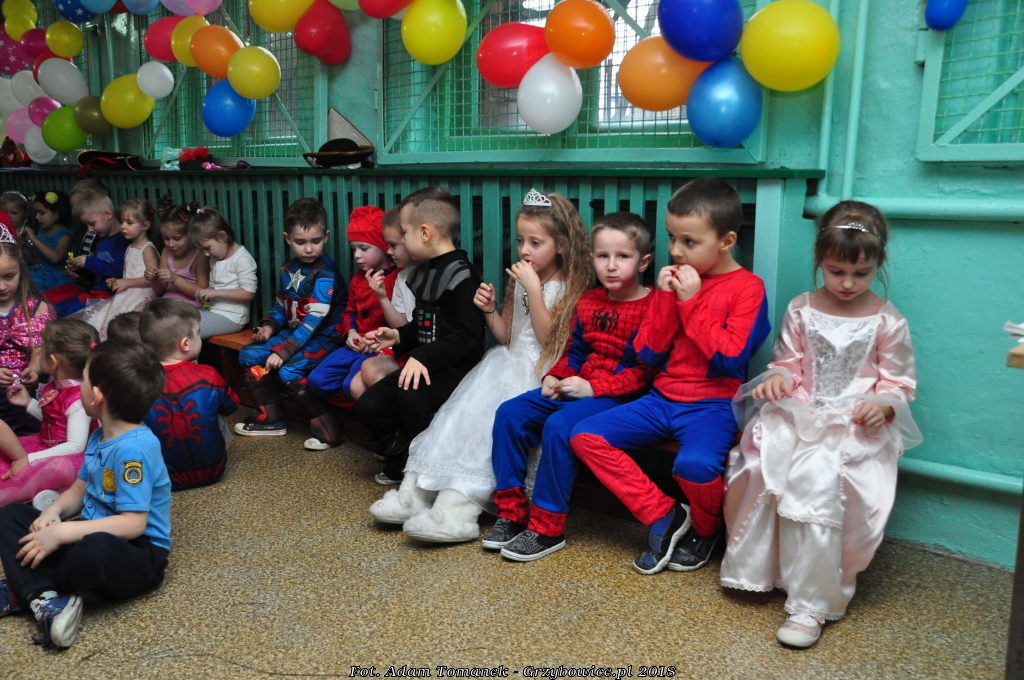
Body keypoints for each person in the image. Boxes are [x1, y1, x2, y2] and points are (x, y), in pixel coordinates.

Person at [720, 200, 921, 648]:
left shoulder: (887, 320)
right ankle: (763, 568)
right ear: (820, 261)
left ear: (878, 265)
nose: (847, 283)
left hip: (852, 421)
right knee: (763, 451)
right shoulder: (801, 308)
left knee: (820, 474)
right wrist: (778, 378)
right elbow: (788, 362)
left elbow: (899, 383)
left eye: (861, 274)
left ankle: (811, 602)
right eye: (836, 271)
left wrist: (884, 405)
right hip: (802, 409)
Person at [571, 178, 771, 574]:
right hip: (660, 400)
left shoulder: (748, 289)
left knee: (694, 466)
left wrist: (691, 302)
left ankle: (706, 529)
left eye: (689, 241)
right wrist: (665, 299)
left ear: (726, 241)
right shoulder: (673, 280)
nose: (676, 250)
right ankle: (665, 514)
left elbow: (729, 358)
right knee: (586, 437)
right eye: (671, 238)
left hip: (712, 406)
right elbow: (647, 352)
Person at [372, 189, 592, 544]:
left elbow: (549, 339)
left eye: (535, 243)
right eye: (520, 240)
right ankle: (415, 494)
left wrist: (534, 290)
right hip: (504, 362)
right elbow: (508, 336)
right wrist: (489, 311)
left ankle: (456, 512)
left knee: (486, 429)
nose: (524, 250)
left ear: (562, 246)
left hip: (540, 372)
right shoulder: (523, 280)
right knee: (456, 418)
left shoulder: (566, 287)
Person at [481, 211, 657, 561]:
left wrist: (594, 389)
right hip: (576, 385)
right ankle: (511, 512)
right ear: (592, 257)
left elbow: (645, 372)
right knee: (511, 413)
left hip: (619, 397)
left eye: (622, 256)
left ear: (643, 262)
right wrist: (555, 376)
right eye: (603, 256)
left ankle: (547, 527)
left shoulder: (654, 306)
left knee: (559, 425)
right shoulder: (589, 301)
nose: (611, 265)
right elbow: (575, 351)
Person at [0, 340, 170, 649]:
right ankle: (45, 599)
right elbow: (80, 488)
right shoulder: (100, 434)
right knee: (11, 515)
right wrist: (53, 513)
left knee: (95, 549)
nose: (79, 385)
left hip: (136, 553)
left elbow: (133, 524)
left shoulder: (134, 449)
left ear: (96, 395)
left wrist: (62, 533)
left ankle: (27, 590)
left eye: (84, 378)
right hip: (87, 534)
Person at [356, 187, 486, 486]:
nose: (401, 240)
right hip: (425, 365)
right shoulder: (425, 271)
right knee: (371, 404)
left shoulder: (463, 277)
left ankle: (429, 470)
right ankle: (402, 454)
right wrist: (398, 335)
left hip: (453, 369)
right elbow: (423, 322)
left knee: (411, 400)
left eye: (404, 232)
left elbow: (469, 336)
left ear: (425, 233)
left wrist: (423, 357)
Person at [234, 198, 346, 450]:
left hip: (324, 337)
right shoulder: (288, 269)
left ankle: (328, 427)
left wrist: (284, 351)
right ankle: (271, 416)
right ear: (288, 239)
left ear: (326, 237)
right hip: (295, 334)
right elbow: (282, 307)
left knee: (289, 371)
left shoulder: (326, 274)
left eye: (315, 241)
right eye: (300, 242)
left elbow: (314, 320)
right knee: (249, 355)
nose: (309, 249)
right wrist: (269, 327)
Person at [141, 298, 238, 491]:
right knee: (215, 402)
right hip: (213, 471)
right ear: (185, 344)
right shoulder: (208, 375)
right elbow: (231, 407)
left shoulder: (138, 380)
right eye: (198, 333)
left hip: (164, 478)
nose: (200, 337)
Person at [0, 318, 98, 508]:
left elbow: (76, 446)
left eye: (41, 348)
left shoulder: (78, 399)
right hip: (44, 445)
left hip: (65, 459)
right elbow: (54, 420)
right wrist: (28, 403)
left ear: (53, 361)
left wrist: (30, 459)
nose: (37, 352)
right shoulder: (57, 386)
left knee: (40, 472)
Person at [306, 205, 393, 412]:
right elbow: (349, 311)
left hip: (379, 349)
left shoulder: (395, 280)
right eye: (354, 249)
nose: (357, 255)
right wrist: (351, 332)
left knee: (351, 385)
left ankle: (362, 414)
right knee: (317, 380)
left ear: (383, 246)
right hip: (355, 344)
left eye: (364, 248)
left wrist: (378, 341)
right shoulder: (357, 280)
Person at [75, 198, 159, 339]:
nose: (123, 227)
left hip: (140, 295)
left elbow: (152, 279)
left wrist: (126, 282)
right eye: (121, 222)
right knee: (99, 320)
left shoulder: (147, 249)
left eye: (129, 223)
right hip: (127, 291)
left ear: (145, 225)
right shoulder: (130, 246)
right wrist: (117, 281)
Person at [354, 205, 416, 394]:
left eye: (393, 246)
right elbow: (401, 325)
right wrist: (381, 296)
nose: (388, 252)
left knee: (369, 372)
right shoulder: (401, 277)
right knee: (356, 384)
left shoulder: (431, 275)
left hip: (424, 352)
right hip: (405, 345)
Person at [0, 233, 51, 436]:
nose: (1, 287)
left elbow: (40, 348)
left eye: (9, 277)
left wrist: (35, 368)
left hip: (28, 389)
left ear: (21, 270)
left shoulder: (37, 308)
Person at [57, 191, 129, 317]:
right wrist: (78, 269)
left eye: (92, 223)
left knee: (69, 315)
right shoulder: (100, 239)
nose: (89, 229)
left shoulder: (122, 240)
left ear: (108, 214)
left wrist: (89, 261)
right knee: (56, 309)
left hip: (109, 297)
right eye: (87, 225)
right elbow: (97, 272)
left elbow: (119, 271)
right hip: (94, 292)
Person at [190, 207, 258, 338]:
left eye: (207, 248)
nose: (206, 254)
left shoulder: (242, 259)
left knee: (187, 329)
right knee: (177, 321)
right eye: (202, 250)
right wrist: (204, 294)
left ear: (222, 236)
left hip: (232, 317)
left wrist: (215, 293)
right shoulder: (215, 258)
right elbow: (213, 287)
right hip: (212, 311)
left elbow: (248, 293)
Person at [147, 204, 209, 308]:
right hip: (166, 303)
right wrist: (154, 279)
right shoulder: (166, 252)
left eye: (177, 239)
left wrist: (176, 280)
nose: (170, 244)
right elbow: (160, 290)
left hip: (189, 307)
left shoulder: (200, 255)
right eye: (166, 239)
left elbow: (202, 294)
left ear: (191, 235)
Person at [23, 191, 75, 301]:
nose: (37, 217)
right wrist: (26, 244)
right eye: (36, 213)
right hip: (36, 272)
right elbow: (34, 258)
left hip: (54, 278)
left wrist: (34, 239)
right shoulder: (42, 231)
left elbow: (55, 258)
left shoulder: (65, 236)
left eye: (41, 213)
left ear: (57, 214)